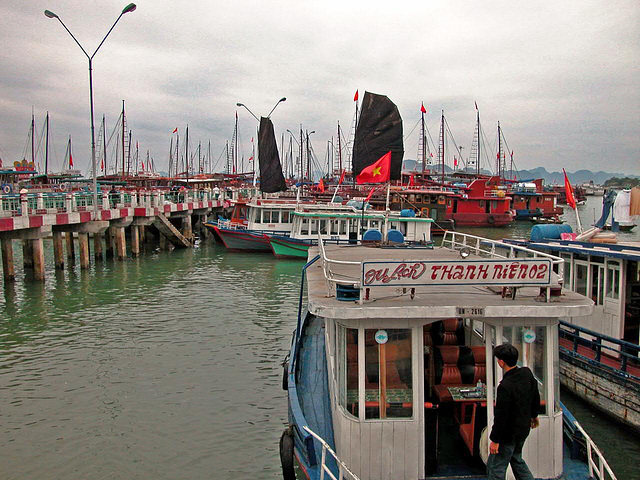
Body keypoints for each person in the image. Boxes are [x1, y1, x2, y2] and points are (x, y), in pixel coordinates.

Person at [487, 343, 540, 480]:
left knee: (495, 468)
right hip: (522, 430)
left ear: (501, 362)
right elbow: (535, 396)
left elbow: (501, 417)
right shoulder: (527, 374)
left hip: (507, 435)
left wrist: (495, 440)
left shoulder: (505, 387)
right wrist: (534, 416)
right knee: (516, 459)